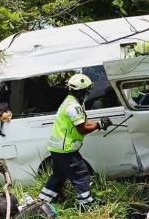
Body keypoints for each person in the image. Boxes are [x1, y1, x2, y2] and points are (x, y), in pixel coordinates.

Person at [38, 74, 112, 209]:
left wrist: (97, 123)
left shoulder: (70, 101)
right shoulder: (73, 106)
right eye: (88, 90)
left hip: (58, 148)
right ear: (83, 91)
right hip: (66, 149)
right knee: (81, 174)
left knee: (59, 175)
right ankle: (86, 204)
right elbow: (82, 128)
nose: (89, 93)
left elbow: (81, 122)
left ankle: (43, 201)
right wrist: (99, 125)